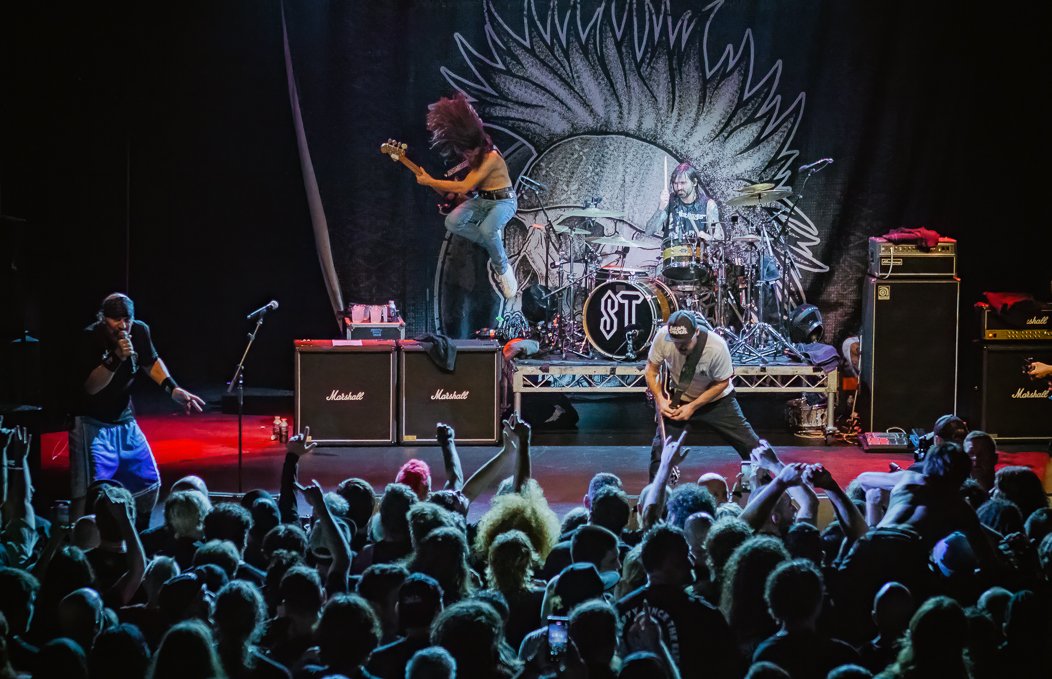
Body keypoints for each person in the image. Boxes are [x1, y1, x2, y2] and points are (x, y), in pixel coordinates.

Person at [69, 293, 205, 525]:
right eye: (116, 320)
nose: (123, 326)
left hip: (124, 418)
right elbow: (91, 387)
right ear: (103, 319)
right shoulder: (91, 337)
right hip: (91, 421)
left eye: (127, 320)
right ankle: (80, 537)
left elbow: (150, 362)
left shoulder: (140, 331)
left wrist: (173, 389)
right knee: (89, 492)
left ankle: (139, 531)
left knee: (149, 483)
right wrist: (116, 358)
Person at [415, 92, 519, 300]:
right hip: (483, 200)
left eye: (469, 153)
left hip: (504, 202)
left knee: (487, 229)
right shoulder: (474, 157)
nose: (467, 157)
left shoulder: (491, 157)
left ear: (477, 147)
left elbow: (464, 186)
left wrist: (430, 181)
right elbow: (461, 188)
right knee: (452, 222)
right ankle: (492, 241)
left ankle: (503, 268)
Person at [645, 310, 761, 478]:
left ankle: (773, 489)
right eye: (676, 342)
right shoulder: (663, 337)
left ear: (697, 332)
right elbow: (651, 369)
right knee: (660, 453)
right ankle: (655, 494)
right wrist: (661, 400)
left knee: (753, 448)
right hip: (680, 399)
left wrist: (693, 406)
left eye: (686, 341)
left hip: (716, 401)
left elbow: (723, 382)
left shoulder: (717, 347)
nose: (681, 347)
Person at [645, 161, 722, 240]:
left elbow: (718, 240)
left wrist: (707, 237)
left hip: (696, 248)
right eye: (675, 183)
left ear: (694, 182)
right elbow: (648, 232)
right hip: (671, 247)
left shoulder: (708, 205)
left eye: (683, 183)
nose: (679, 187)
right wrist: (660, 208)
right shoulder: (669, 201)